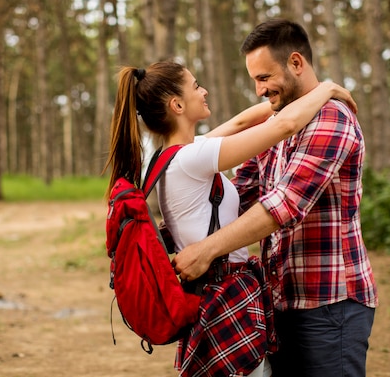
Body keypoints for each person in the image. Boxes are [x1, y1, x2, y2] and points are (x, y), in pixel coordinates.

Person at [105, 60, 356, 377]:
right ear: (177, 105)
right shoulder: (193, 158)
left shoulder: (170, 157)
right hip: (223, 295)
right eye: (196, 86)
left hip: (211, 292)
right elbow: (283, 127)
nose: (204, 91)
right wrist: (327, 89)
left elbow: (240, 123)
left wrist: (287, 99)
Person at [172, 18, 378, 377]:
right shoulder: (279, 126)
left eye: (264, 78)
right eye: (255, 80)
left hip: (329, 304)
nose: (258, 90)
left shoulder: (332, 118)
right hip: (279, 303)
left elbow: (283, 205)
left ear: (296, 63)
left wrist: (205, 251)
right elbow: (242, 195)